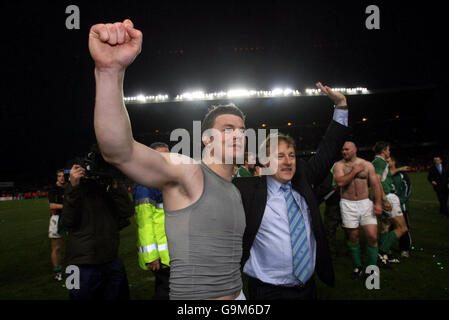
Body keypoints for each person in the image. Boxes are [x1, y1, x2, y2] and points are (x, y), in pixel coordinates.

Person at [89, 19, 246, 300]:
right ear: (206, 139)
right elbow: (119, 150)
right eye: (228, 129)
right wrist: (109, 72)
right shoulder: (189, 172)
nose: (238, 136)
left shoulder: (234, 189)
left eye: (242, 131)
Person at [233, 83, 351, 300]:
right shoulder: (247, 191)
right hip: (267, 292)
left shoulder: (303, 181)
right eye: (279, 156)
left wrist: (341, 105)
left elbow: (329, 148)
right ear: (265, 162)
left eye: (291, 155)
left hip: (307, 288)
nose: (287, 162)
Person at [61, 152, 134, 300]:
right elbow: (67, 221)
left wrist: (114, 184)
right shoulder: (74, 189)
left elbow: (127, 211)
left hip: (111, 259)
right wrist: (73, 186)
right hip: (80, 263)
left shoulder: (108, 188)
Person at [333, 142, 383, 279]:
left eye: (347, 149)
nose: (344, 152)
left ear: (355, 149)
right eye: (342, 149)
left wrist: (378, 203)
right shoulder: (338, 165)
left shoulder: (367, 165)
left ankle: (372, 271)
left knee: (372, 237)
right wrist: (354, 171)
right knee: (353, 236)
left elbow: (375, 184)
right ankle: (357, 267)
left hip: (365, 203)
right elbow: (340, 182)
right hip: (347, 204)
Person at [134, 142, 171, 300]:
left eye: (168, 155)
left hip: (171, 252)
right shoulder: (146, 182)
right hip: (161, 256)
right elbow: (144, 222)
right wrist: (151, 256)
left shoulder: (165, 179)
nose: (166, 159)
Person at [372, 142, 409, 265]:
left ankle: (385, 255)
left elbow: (384, 176)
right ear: (383, 151)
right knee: (402, 228)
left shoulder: (378, 162)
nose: (389, 152)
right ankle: (382, 252)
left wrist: (399, 169)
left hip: (383, 196)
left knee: (385, 227)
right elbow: (376, 180)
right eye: (388, 149)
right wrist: (384, 199)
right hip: (387, 196)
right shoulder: (380, 162)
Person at [389, 155, 412, 258]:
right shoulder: (385, 175)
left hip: (401, 207)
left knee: (403, 228)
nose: (386, 163)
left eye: (388, 161)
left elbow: (408, 189)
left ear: (393, 162)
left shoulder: (402, 175)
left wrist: (400, 201)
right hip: (388, 208)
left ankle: (404, 249)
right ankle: (386, 248)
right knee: (388, 228)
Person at [48, 169, 67, 281]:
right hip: (56, 219)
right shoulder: (53, 189)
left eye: (63, 176)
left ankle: (74, 268)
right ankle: (58, 272)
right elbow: (52, 206)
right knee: (57, 247)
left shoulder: (69, 187)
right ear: (57, 178)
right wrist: (67, 206)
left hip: (70, 218)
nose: (62, 178)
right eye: (59, 176)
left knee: (74, 245)